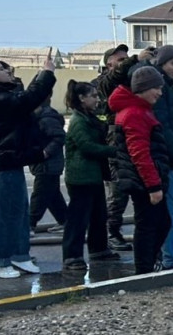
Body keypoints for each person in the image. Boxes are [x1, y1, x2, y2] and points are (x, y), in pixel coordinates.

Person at [0, 56, 56, 278]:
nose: (8, 71)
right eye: (2, 69)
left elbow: (25, 98)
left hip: (13, 159)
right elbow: (29, 99)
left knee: (19, 211)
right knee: (1, 213)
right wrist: (46, 73)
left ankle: (20, 255)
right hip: (2, 161)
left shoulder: (5, 94)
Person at [109, 66, 172, 274]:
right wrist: (153, 186)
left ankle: (147, 266)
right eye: (156, 88)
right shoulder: (136, 113)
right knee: (150, 225)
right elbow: (140, 153)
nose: (160, 93)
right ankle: (144, 270)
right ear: (143, 88)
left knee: (158, 223)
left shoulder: (136, 110)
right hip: (144, 181)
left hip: (141, 179)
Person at [134, 45, 173, 270]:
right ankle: (169, 258)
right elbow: (165, 126)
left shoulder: (164, 87)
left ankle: (160, 259)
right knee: (168, 212)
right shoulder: (162, 89)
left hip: (162, 159)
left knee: (159, 216)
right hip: (164, 160)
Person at [62, 80, 120, 272]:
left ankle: (99, 249)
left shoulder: (89, 118)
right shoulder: (79, 121)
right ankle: (72, 256)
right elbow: (87, 146)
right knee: (78, 219)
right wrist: (113, 151)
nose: (97, 99)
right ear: (81, 98)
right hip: (81, 177)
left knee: (98, 215)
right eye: (93, 96)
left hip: (92, 175)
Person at [92, 43, 136, 252]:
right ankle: (111, 233)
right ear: (109, 65)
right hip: (111, 143)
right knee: (118, 190)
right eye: (121, 60)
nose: (125, 63)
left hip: (127, 138)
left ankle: (113, 232)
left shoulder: (126, 81)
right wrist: (134, 61)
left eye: (126, 58)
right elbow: (109, 84)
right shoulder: (102, 83)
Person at [28, 93, 68, 234]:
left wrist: (46, 152)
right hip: (45, 163)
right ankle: (65, 221)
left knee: (40, 194)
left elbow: (59, 137)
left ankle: (29, 224)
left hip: (47, 164)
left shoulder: (46, 118)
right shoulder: (40, 116)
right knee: (52, 194)